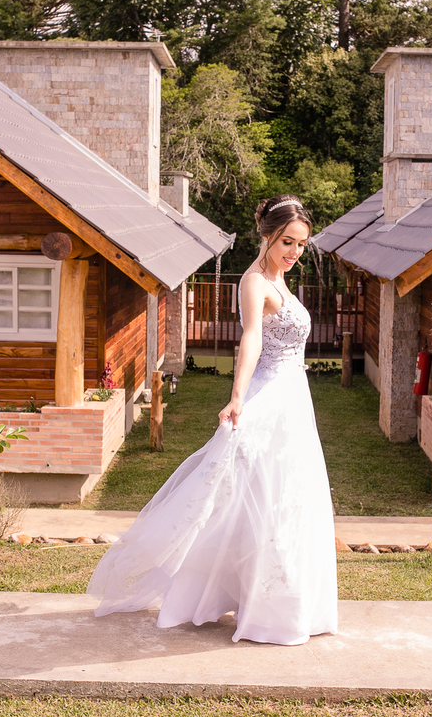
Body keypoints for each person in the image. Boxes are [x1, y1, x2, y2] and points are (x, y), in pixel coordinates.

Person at [88, 194, 338, 645]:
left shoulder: (281, 280)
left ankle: (286, 602)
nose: (294, 252)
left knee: (287, 497)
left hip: (294, 400)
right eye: (287, 242)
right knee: (253, 495)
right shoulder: (254, 282)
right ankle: (255, 607)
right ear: (267, 235)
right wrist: (238, 396)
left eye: (300, 245)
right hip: (269, 395)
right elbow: (252, 340)